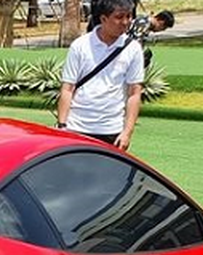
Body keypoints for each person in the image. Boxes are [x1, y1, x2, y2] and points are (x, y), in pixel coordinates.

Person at [57, 0, 145, 149]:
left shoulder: (133, 49)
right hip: (77, 126)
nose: (125, 22)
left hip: (111, 129)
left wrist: (127, 132)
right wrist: (62, 125)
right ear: (103, 19)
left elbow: (134, 93)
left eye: (129, 16)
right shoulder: (80, 46)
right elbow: (68, 88)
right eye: (119, 17)